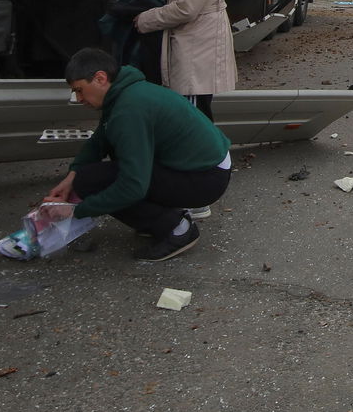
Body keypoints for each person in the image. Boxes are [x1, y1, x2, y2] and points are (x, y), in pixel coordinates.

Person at [44, 48, 232, 262]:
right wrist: (72, 176)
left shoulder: (129, 110)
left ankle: (178, 228)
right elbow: (99, 140)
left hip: (205, 178)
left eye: (79, 90)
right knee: (86, 177)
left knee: (96, 182)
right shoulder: (124, 93)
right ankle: (155, 219)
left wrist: (77, 211)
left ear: (100, 78)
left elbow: (133, 186)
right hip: (201, 167)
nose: (78, 98)